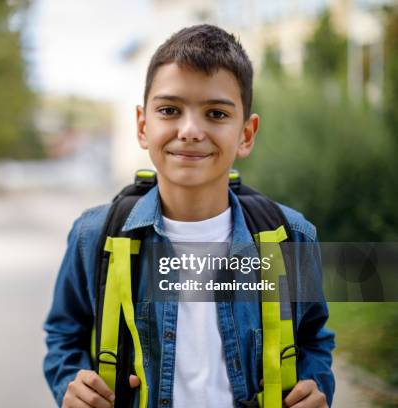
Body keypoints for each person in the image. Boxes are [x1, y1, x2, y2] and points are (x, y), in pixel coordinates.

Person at [43, 24, 334, 408]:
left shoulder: (290, 235)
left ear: (246, 134)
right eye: (169, 110)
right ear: (143, 126)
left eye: (215, 113)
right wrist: (70, 385)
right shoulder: (94, 235)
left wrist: (316, 387)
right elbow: (64, 333)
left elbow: (313, 337)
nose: (191, 130)